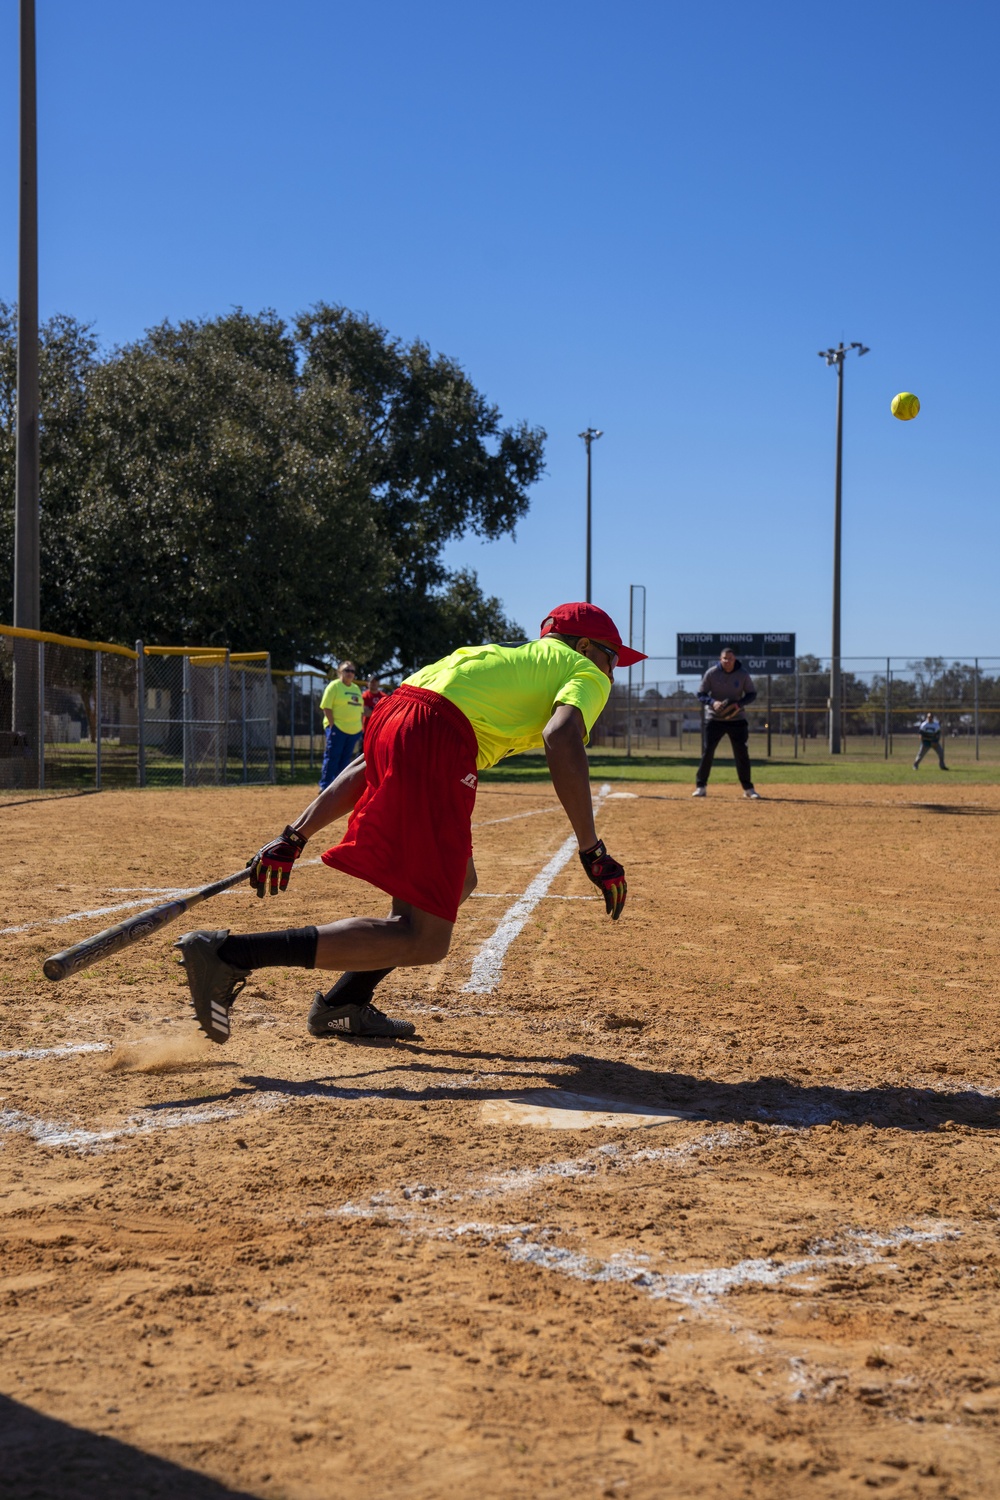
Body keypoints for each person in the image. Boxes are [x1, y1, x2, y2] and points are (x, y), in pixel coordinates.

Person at [175, 602, 646, 1046]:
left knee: (459, 882)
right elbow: (561, 736)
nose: (612, 671)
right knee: (423, 938)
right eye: (611, 658)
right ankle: (231, 956)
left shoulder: (489, 659)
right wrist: (592, 850)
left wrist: (294, 835)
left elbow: (373, 757)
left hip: (398, 717)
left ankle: (344, 1002)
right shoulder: (583, 670)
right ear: (584, 647)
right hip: (439, 741)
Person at [692, 647, 760, 799]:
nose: (727, 661)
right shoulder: (711, 673)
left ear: (734, 659)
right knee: (708, 752)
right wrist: (712, 702)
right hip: (715, 719)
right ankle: (701, 786)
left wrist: (739, 704)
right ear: (720, 659)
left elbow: (751, 694)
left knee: (742, 753)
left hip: (737, 719)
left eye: (730, 658)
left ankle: (748, 789)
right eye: (725, 658)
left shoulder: (743, 674)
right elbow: (700, 694)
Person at [318, 660, 364, 791]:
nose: (350, 673)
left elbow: (360, 710)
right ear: (339, 672)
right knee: (332, 758)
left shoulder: (356, 689)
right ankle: (325, 787)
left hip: (353, 731)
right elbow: (326, 707)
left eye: (352, 671)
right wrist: (333, 726)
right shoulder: (334, 686)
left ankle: (338, 789)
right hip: (337, 729)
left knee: (345, 762)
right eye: (346, 670)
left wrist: (359, 726)